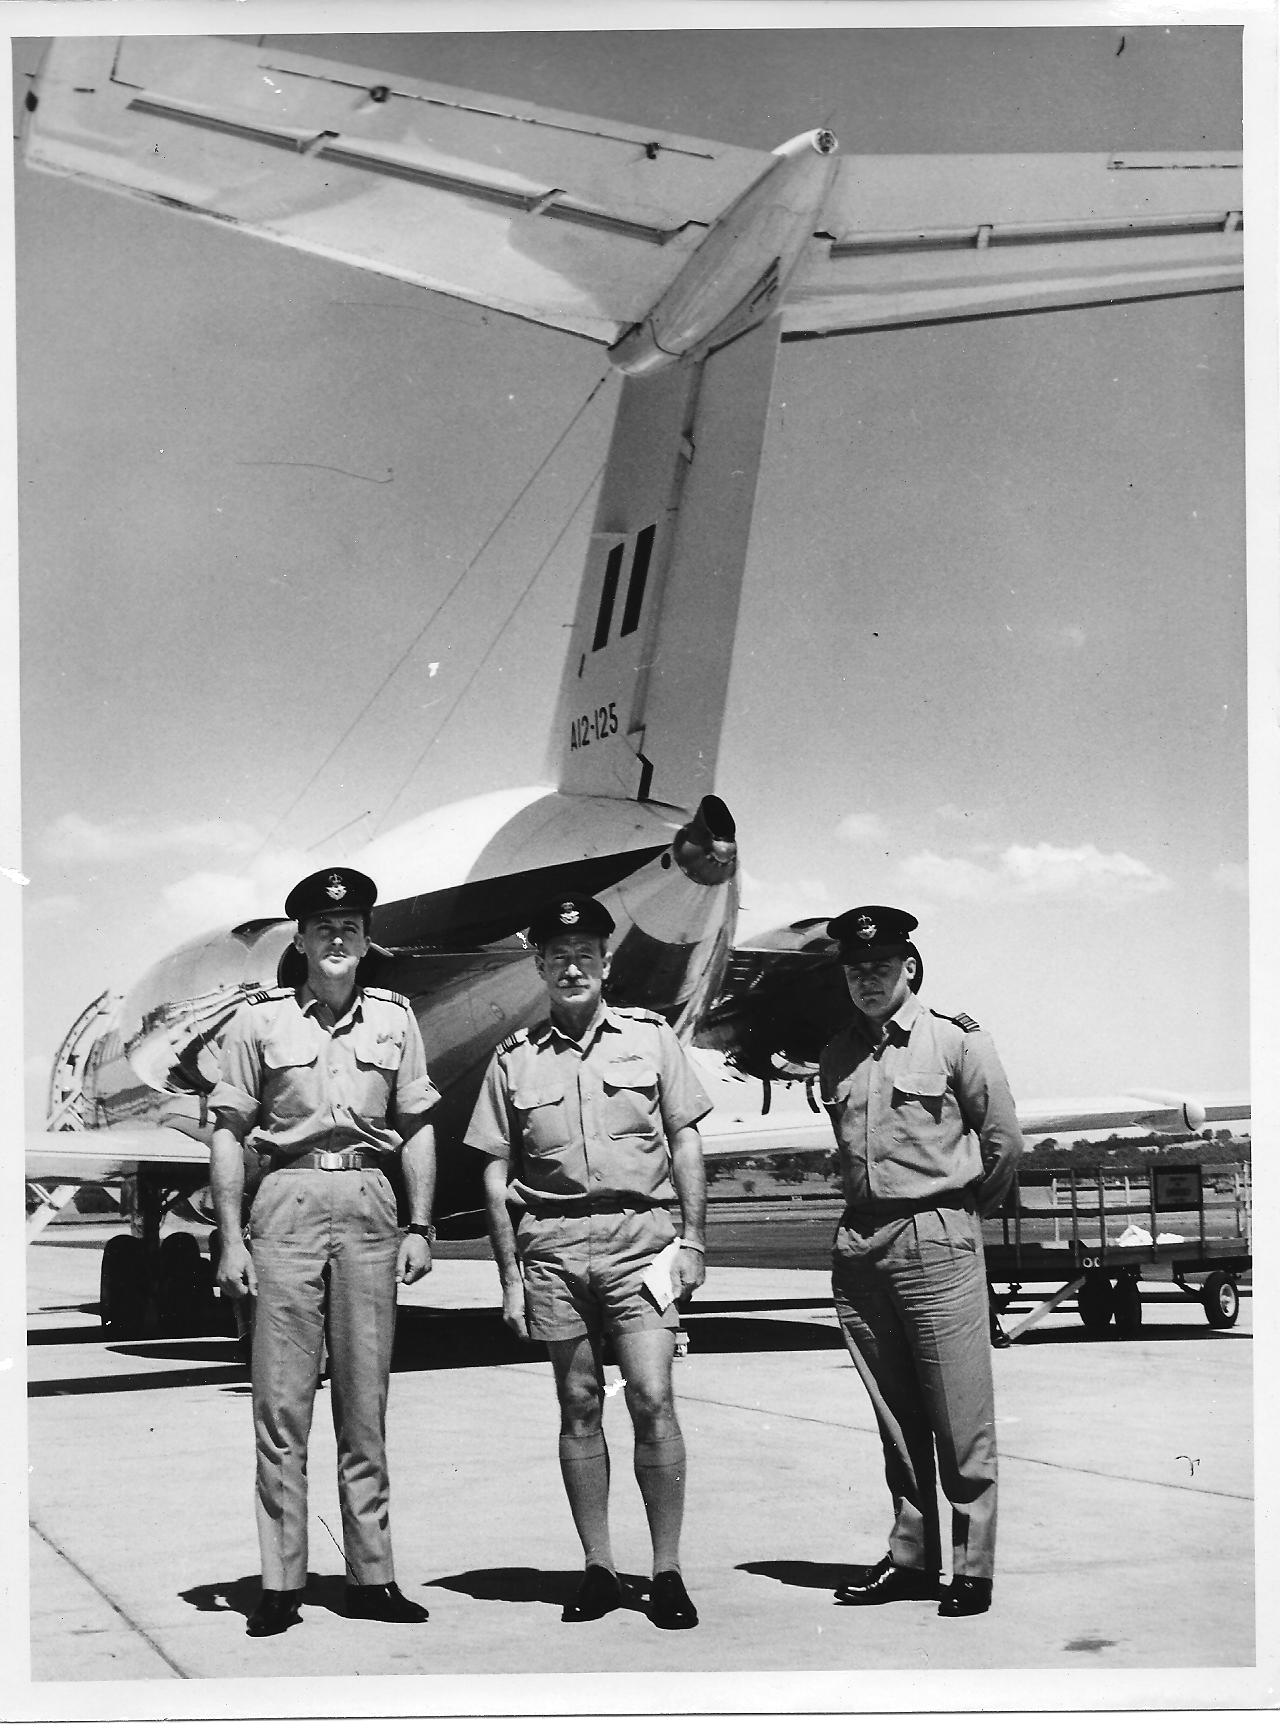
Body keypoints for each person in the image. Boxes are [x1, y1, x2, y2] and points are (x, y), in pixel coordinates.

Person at [464, 894, 710, 1631]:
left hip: (643, 1243)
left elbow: (687, 1139)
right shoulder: (513, 1059)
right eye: (557, 955)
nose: (572, 966)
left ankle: (665, 1571)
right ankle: (599, 1568)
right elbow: (493, 1166)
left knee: (651, 1397)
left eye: (586, 953)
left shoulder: (652, 1039)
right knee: (576, 1405)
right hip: (553, 1248)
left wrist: (694, 1240)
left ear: (607, 962)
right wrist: (509, 1275)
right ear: (539, 966)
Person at [209, 867, 439, 1638]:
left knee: (365, 1406)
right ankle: (281, 1582)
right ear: (300, 941)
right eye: (322, 929)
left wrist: (421, 1224)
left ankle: (372, 1578)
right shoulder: (259, 1023)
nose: (337, 939)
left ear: (366, 940)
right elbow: (228, 1132)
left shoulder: (397, 1022)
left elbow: (417, 1123)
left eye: (350, 929)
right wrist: (232, 1236)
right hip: (287, 1206)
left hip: (371, 1207)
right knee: (280, 1408)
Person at [819, 905, 1022, 1619]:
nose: (867, 981)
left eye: (879, 967)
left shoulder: (957, 1043)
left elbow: (1003, 1149)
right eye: (854, 971)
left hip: (936, 1239)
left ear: (909, 967)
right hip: (861, 1247)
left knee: (959, 1415)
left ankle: (972, 1569)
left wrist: (955, 1219)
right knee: (896, 1419)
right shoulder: (836, 1054)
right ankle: (911, 1558)